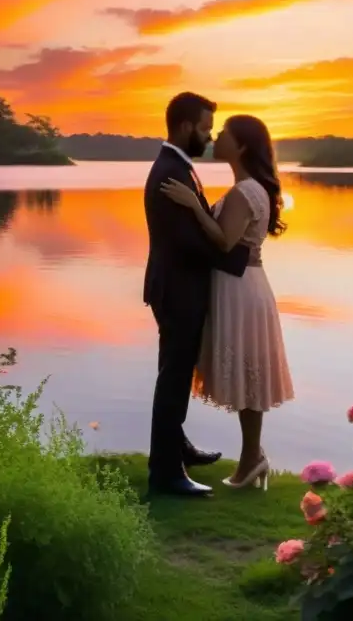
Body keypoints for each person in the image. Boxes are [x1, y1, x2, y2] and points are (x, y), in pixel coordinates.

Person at [160, 113, 294, 491]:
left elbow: (224, 240)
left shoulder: (245, 191)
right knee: (247, 376)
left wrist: (193, 205)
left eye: (224, 133)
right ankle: (254, 457)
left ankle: (252, 458)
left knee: (249, 375)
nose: (215, 136)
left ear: (242, 145)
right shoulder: (249, 188)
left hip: (241, 288)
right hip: (242, 285)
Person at [143, 92, 251, 497]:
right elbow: (190, 241)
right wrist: (239, 256)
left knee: (175, 374)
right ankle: (166, 473)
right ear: (187, 127)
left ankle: (178, 448)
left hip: (175, 287)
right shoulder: (171, 171)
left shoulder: (178, 167)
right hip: (177, 290)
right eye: (205, 128)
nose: (208, 136)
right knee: (173, 379)